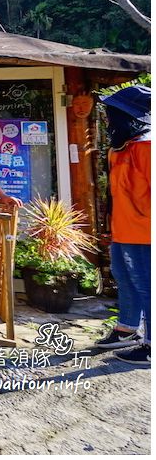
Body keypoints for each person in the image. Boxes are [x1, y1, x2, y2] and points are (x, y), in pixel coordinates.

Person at [95, 85, 150, 365]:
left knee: (146, 284)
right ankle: (127, 329)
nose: (107, 119)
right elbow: (114, 193)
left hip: (146, 232)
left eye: (111, 113)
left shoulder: (148, 147)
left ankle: (150, 345)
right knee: (124, 278)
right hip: (123, 228)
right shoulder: (122, 147)